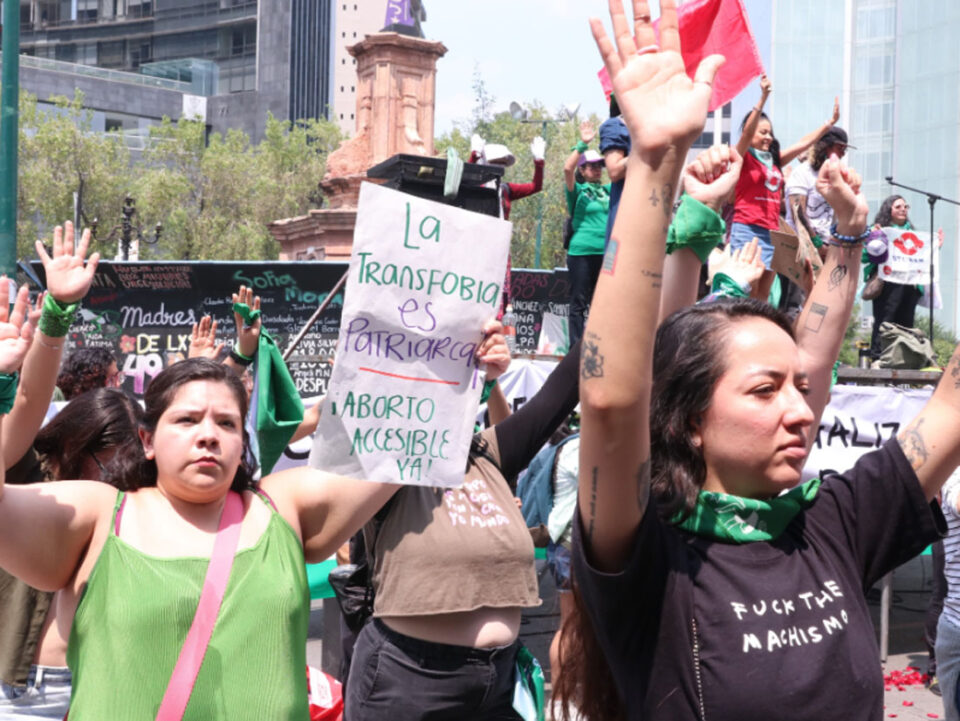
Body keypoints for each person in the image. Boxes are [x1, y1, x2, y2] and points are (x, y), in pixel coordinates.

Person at [555, 3, 952, 720]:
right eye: (765, 389)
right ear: (690, 420)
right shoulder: (650, 553)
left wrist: (851, 242)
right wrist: (652, 165)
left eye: (797, 389)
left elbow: (946, 406)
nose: (803, 409)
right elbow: (614, 400)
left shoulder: (832, 520)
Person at [0, 264, 510, 719]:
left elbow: (405, 448)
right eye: (187, 419)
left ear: (243, 439)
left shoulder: (284, 507)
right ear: (148, 440)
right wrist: (37, 342)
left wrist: (467, 373)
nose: (208, 433)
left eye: (226, 421)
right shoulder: (96, 517)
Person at [345, 342, 581, 721]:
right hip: (408, 684)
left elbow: (572, 378)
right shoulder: (390, 465)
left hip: (499, 684)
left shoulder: (487, 453)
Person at [0, 388, 144, 719]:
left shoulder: (130, 506)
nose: (122, 480)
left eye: (133, 468)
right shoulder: (27, 481)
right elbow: (28, 396)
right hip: (17, 694)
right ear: (73, 445)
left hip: (96, 689)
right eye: (112, 467)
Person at [731, 73, 840, 300]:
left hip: (772, 233)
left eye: (770, 132)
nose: (768, 137)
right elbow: (747, 132)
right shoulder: (742, 157)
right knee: (745, 289)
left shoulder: (775, 160)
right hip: (747, 229)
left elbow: (802, 144)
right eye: (763, 132)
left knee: (763, 294)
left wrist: (827, 125)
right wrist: (762, 98)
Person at [564, 121, 611, 348]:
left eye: (598, 166)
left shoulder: (608, 190)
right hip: (581, 251)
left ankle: (599, 345)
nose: (596, 169)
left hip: (607, 253)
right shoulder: (578, 192)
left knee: (603, 304)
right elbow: (566, 169)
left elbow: (627, 172)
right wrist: (583, 143)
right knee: (579, 303)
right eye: (591, 166)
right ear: (582, 170)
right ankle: (575, 349)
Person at [867, 195, 923, 359]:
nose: (903, 209)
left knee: (906, 323)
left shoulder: (914, 234)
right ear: (888, 210)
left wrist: (936, 246)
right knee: (886, 320)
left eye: (905, 206)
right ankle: (878, 357)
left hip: (909, 284)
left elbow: (924, 257)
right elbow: (866, 257)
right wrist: (874, 240)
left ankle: (903, 360)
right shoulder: (879, 230)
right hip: (887, 284)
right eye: (898, 206)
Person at [786, 127, 854, 246]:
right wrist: (816, 242)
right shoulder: (803, 172)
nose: (843, 153)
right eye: (840, 148)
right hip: (800, 245)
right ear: (826, 147)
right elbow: (797, 212)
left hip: (827, 245)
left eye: (845, 149)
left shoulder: (837, 177)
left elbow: (836, 215)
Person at [54, 347, 120, 400]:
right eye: (111, 379)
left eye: (118, 377)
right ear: (89, 379)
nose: (118, 384)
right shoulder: (55, 401)